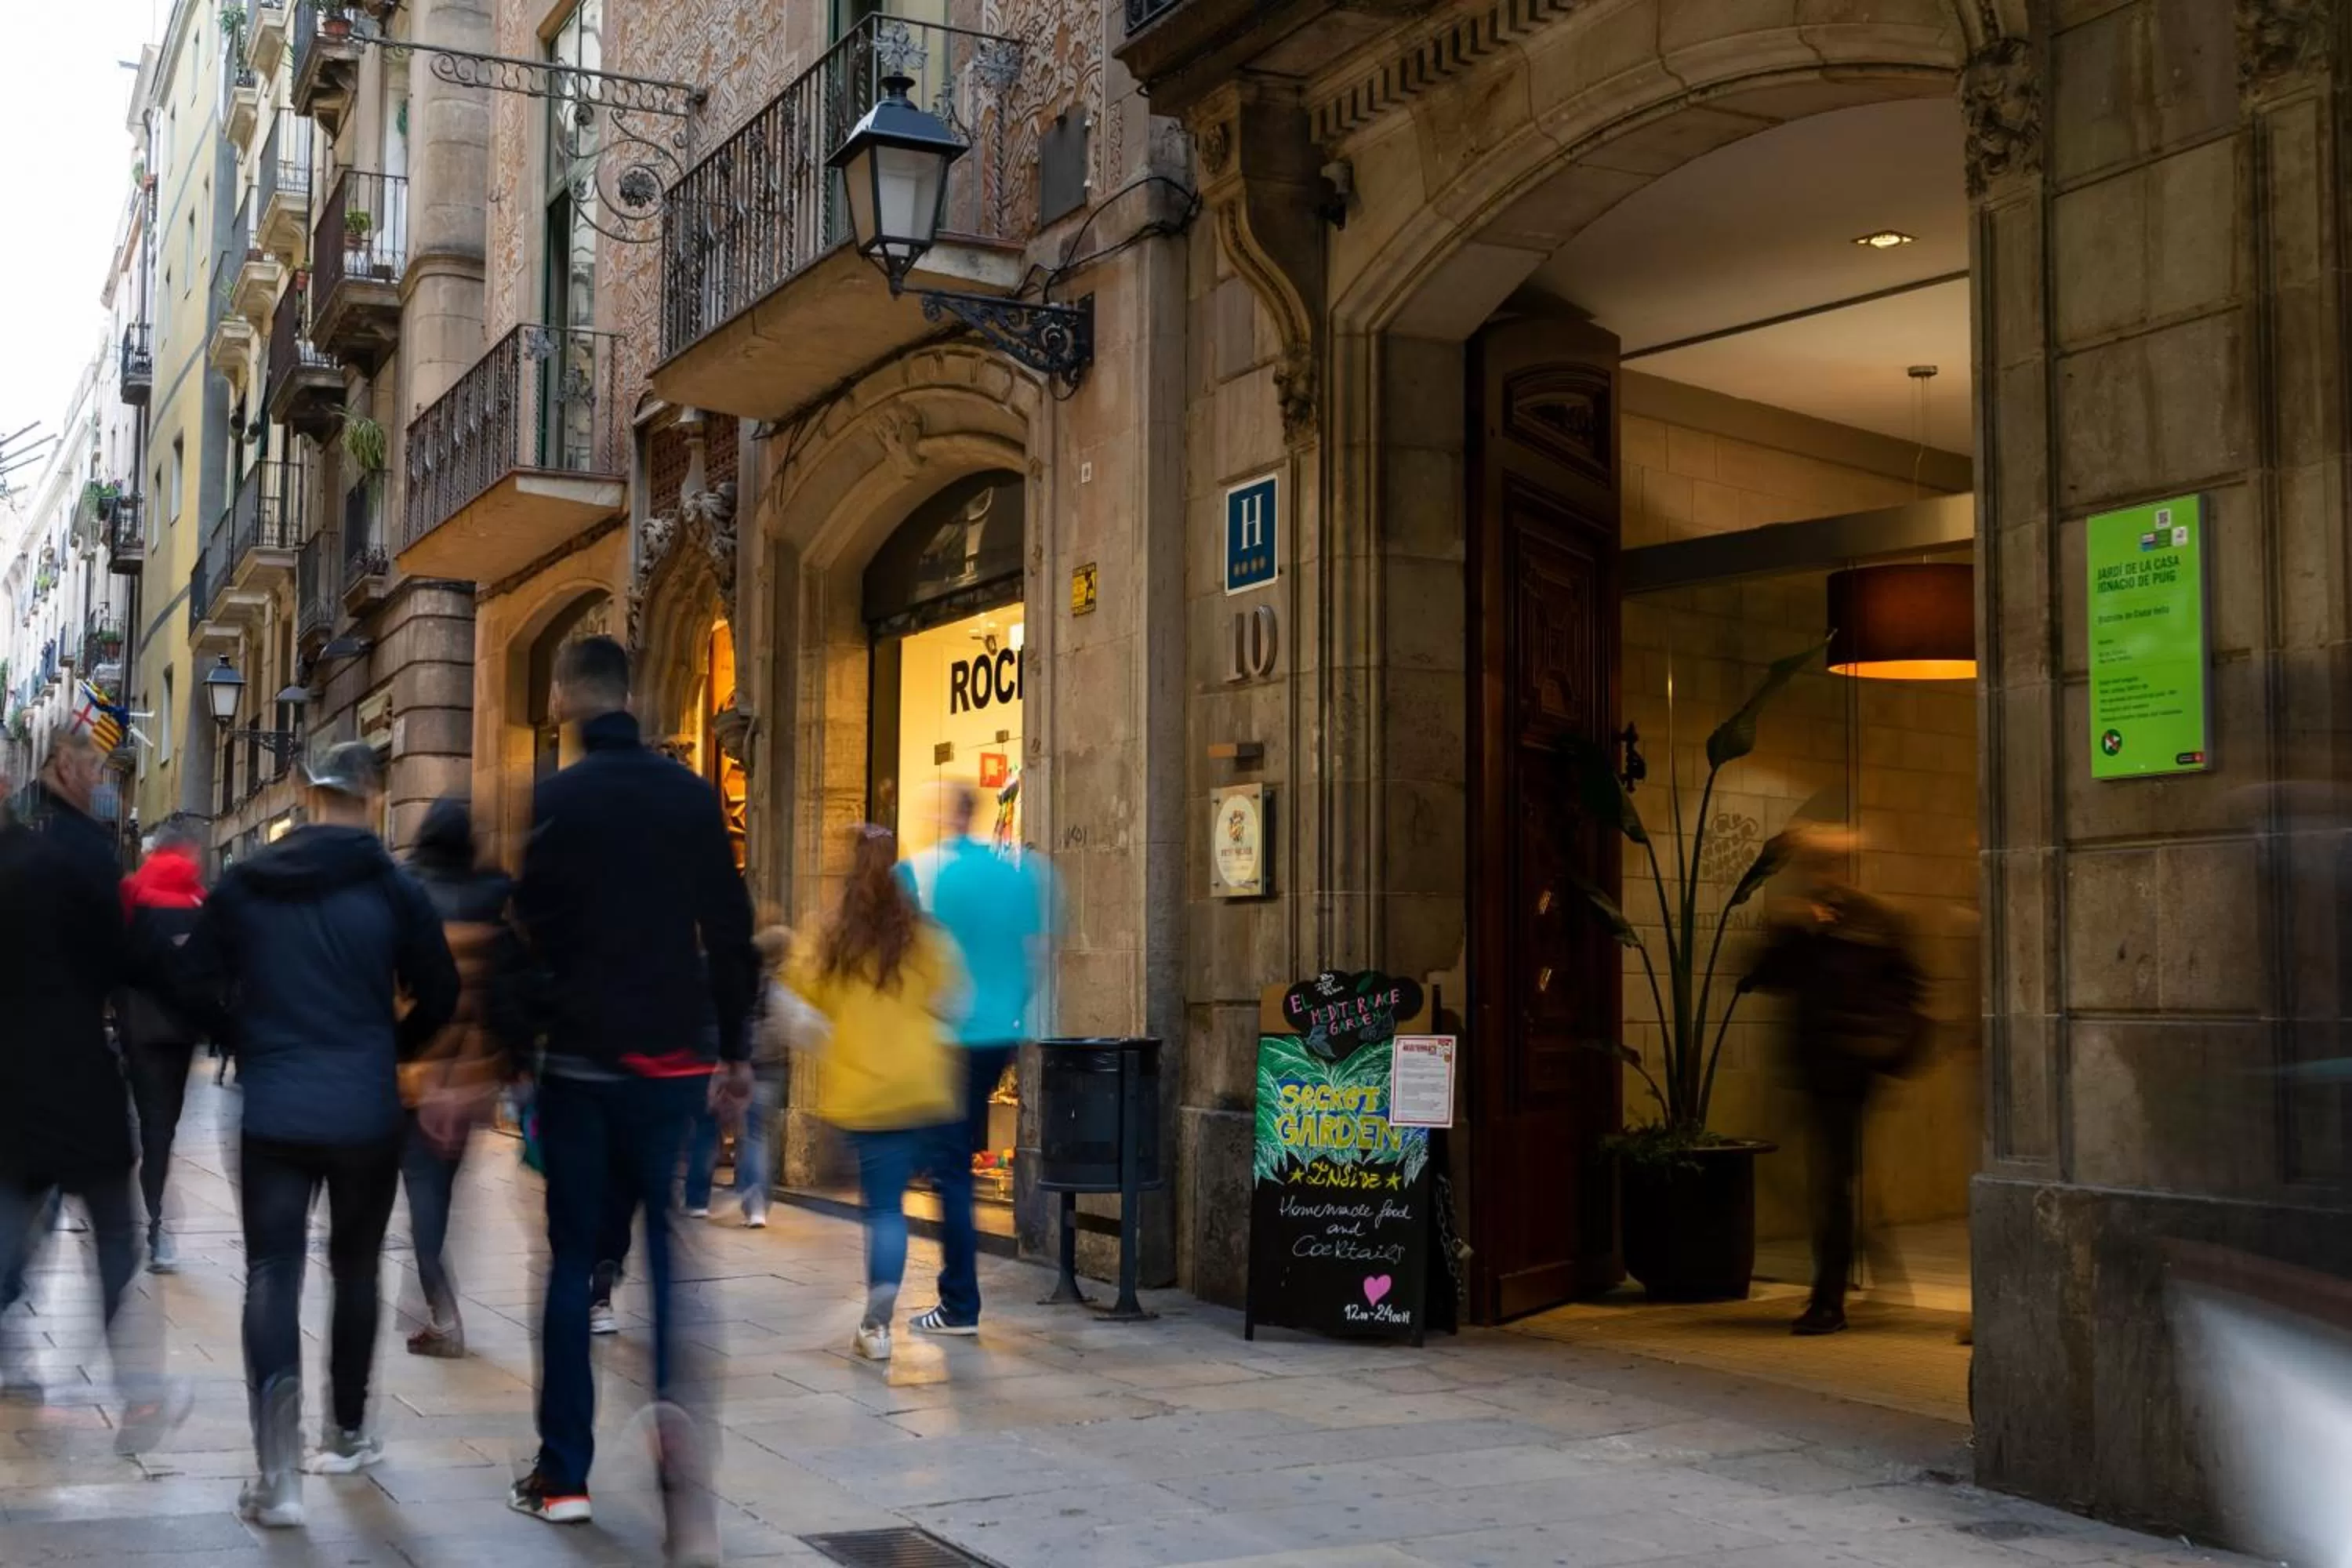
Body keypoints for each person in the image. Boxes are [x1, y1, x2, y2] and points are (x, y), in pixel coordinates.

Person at [509, 635, 756, 1540]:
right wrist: (733, 1052)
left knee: (574, 1261)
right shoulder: (690, 798)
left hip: (579, 1064)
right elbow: (730, 929)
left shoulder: (556, 801)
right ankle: (679, 1431)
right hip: (670, 1064)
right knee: (670, 1251)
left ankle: (563, 1471)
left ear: (575, 697)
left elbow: (529, 930)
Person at [176, 743, 459, 1526]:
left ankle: (279, 1474)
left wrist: (244, 1036)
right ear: (376, 795)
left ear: (305, 791)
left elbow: (189, 981)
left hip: (274, 1106)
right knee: (357, 1269)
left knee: (272, 1270)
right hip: (365, 1111)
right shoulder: (396, 888)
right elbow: (442, 989)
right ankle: (345, 1432)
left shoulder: (247, 883)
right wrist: (392, 1047)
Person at [0, 725, 181, 1442]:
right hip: (77, 1073)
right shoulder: (85, 854)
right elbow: (126, 956)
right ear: (64, 770)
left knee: (14, 1230)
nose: (102, 782)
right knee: (111, 1234)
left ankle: (14, 1361)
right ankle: (138, 1395)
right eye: (95, 769)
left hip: (12, 1084)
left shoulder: (13, 849)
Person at [1742, 826, 1929, 1338]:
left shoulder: (1878, 919)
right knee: (1826, 1179)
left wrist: (1884, 1047)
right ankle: (1871, 1260)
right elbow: (1759, 978)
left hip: (1851, 1069)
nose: (1821, 873)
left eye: (1828, 863)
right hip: (1812, 1066)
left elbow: (1909, 989)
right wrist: (1794, 931)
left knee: (1833, 1180)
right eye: (1814, 864)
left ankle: (1829, 1301)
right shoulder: (1801, 919)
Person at [791, 824, 967, 1362]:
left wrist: (834, 1037)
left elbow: (797, 1004)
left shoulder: (830, 935)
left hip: (865, 1090)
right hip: (921, 1087)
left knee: (884, 1207)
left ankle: (878, 1321)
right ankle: (889, 1298)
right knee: (908, 1199)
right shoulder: (927, 935)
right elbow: (956, 1003)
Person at [895, 785, 1051, 1335]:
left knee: (952, 1172)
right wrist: (1009, 1011)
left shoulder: (923, 872)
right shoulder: (1020, 874)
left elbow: (900, 955)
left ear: (948, 815)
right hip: (998, 1037)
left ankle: (959, 1303)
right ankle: (957, 1300)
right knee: (957, 1153)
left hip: (947, 1037)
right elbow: (1038, 955)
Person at [401, 797, 526, 1359]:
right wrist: (505, 1066)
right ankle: (434, 1297)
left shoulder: (404, 894)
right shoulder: (496, 898)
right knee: (442, 1195)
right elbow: (507, 999)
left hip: (412, 1075)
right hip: (471, 1081)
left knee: (421, 1197)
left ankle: (441, 1310)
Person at [118, 821, 209, 1273]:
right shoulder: (200, 902)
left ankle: (150, 1212)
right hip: (181, 1031)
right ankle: (156, 1225)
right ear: (187, 853)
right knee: (163, 1126)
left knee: (147, 1118)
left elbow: (113, 959)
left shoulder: (130, 892)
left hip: (139, 1027)